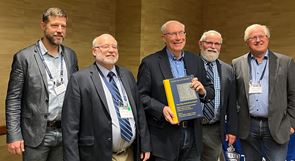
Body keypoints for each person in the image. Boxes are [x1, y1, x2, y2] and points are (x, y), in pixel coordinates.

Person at [62, 34, 151, 161]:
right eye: (105, 46)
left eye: (114, 47)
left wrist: (144, 144)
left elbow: (139, 113)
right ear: (94, 51)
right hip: (97, 155)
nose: (111, 50)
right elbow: (70, 125)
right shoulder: (80, 79)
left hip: (130, 153)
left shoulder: (127, 75)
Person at [5, 7, 78, 161]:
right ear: (43, 26)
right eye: (54, 25)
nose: (59, 30)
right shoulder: (24, 57)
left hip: (65, 132)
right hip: (36, 134)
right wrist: (14, 135)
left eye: (63, 26)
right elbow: (14, 99)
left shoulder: (71, 56)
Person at [137, 20, 214, 161]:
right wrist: (161, 109)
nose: (178, 38)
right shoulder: (150, 63)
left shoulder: (195, 60)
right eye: (173, 34)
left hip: (192, 135)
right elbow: (141, 96)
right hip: (163, 138)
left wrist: (203, 91)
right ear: (164, 38)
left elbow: (210, 90)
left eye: (181, 33)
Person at [232, 24, 295, 161]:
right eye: (253, 37)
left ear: (268, 38)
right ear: (247, 42)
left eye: (261, 36)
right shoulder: (237, 63)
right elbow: (234, 96)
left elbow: (293, 94)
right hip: (248, 127)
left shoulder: (285, 62)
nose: (258, 40)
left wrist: (291, 123)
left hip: (277, 125)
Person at [198, 30, 238, 161]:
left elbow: (232, 102)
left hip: (214, 128)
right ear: (200, 44)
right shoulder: (190, 64)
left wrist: (232, 129)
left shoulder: (227, 69)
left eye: (217, 43)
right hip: (193, 126)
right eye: (209, 43)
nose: (213, 47)